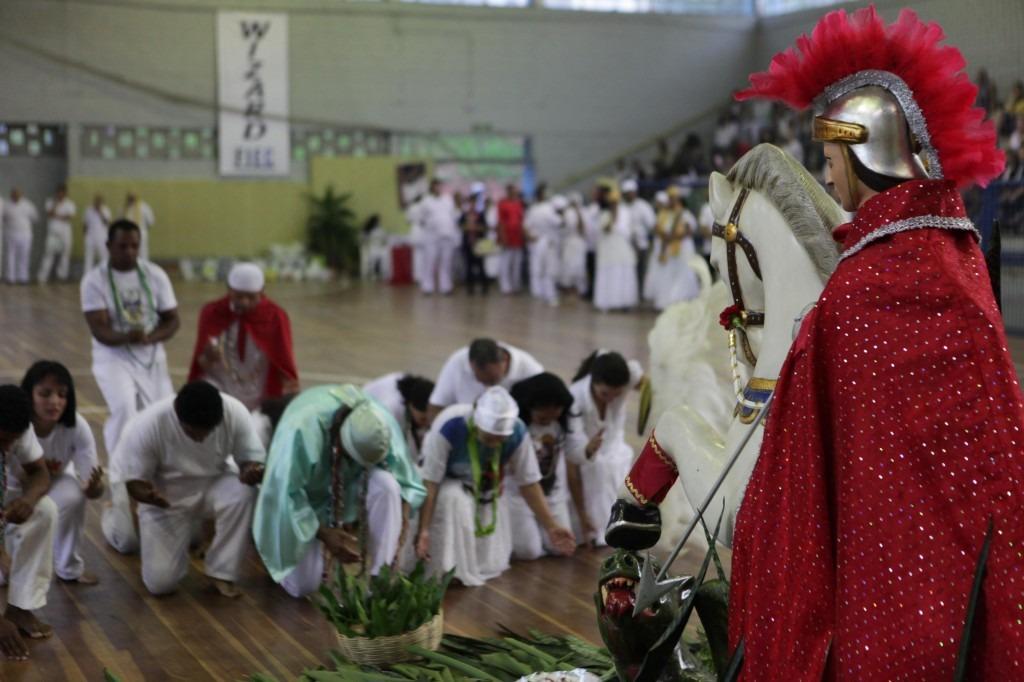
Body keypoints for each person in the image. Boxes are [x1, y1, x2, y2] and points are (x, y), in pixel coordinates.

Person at [728, 8, 1023, 677]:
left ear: (863, 153)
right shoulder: (955, 252)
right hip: (973, 542)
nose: (828, 180)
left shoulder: (865, 283)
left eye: (830, 160)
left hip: (891, 562)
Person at [253, 385, 426, 597]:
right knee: (303, 587)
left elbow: (405, 479)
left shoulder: (381, 423)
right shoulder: (301, 431)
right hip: (305, 501)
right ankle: (280, 561)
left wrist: (402, 520)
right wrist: (325, 534)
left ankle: (381, 575)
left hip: (353, 484)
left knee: (389, 486)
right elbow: (284, 494)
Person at [109, 381, 265, 597]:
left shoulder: (235, 412)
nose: (201, 437)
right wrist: (148, 496)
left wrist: (251, 470)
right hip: (165, 496)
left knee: (244, 492)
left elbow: (251, 459)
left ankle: (221, 572)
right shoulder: (148, 425)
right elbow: (135, 483)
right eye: (193, 431)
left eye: (208, 430)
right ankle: (113, 517)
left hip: (212, 485)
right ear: (177, 415)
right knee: (160, 584)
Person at [414, 386, 575, 585]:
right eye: (489, 438)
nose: (494, 444)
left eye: (501, 440)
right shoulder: (450, 426)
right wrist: (424, 530)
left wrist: (551, 526)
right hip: (445, 481)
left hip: (484, 484)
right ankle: (446, 566)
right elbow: (431, 481)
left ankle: (473, 564)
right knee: (453, 498)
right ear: (477, 424)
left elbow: (529, 482)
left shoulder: (517, 432)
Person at [82, 219, 178, 454]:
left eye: (134, 246)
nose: (130, 252)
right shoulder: (94, 280)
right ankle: (120, 469)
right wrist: (128, 337)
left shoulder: (155, 275)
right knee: (124, 408)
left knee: (162, 414)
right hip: (113, 357)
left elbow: (172, 319)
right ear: (108, 245)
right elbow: (99, 329)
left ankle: (153, 469)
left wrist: (151, 337)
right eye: (123, 246)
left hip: (151, 356)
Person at [20, 362, 103, 586]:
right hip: (10, 487)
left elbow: (92, 483)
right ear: (29, 394)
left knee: (75, 494)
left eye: (62, 394)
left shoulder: (77, 426)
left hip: (51, 484)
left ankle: (69, 568)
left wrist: (93, 489)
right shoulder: (16, 424)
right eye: (45, 394)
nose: (54, 401)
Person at [187, 262, 299, 411]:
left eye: (251, 297)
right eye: (238, 296)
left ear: (262, 291)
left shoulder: (276, 316)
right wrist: (207, 356)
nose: (244, 302)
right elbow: (201, 364)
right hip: (221, 386)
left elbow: (284, 359)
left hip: (260, 388)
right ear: (229, 289)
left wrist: (289, 389)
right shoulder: (212, 312)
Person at [0, 385, 57, 659]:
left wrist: (29, 499)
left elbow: (40, 474)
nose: (8, 448)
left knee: (44, 509)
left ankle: (20, 607)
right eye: (2, 440)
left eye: (12, 440)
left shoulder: (16, 425)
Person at [508, 373, 590, 559]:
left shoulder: (561, 425)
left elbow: (575, 452)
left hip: (551, 492)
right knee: (529, 551)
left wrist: (589, 450)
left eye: (556, 409)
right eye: (543, 410)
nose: (550, 415)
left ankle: (539, 528)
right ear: (528, 407)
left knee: (561, 547)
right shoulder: (517, 427)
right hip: (520, 495)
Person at [568, 351, 644, 546]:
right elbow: (573, 449)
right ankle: (593, 525)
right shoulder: (575, 398)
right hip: (588, 458)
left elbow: (640, 378)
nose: (610, 399)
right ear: (593, 381)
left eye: (616, 394)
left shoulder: (629, 376)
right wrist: (588, 449)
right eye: (604, 394)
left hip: (616, 449)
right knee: (599, 471)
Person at [427, 337, 544, 421]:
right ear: (470, 365)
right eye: (479, 380)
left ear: (505, 359)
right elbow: (436, 406)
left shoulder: (532, 371)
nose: (488, 387)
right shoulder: (457, 362)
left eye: (493, 380)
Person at [644, 187, 700, 310]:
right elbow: (658, 229)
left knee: (684, 272)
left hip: (683, 247)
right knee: (669, 274)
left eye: (674, 199)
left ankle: (684, 299)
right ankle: (669, 299)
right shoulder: (664, 214)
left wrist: (673, 236)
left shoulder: (684, 213)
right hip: (669, 249)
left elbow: (689, 230)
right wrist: (666, 237)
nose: (671, 201)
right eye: (670, 199)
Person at [363, 373, 434, 464]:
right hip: (368, 415)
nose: (426, 424)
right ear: (412, 406)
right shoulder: (393, 409)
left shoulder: (412, 391)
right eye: (423, 419)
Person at [592, 189, 639, 312]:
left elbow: (631, 231)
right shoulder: (604, 215)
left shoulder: (627, 214)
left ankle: (624, 303)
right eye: (612, 203)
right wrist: (612, 216)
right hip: (608, 251)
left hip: (623, 250)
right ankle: (606, 303)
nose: (614, 205)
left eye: (616, 202)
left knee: (623, 274)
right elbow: (605, 229)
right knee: (609, 275)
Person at [418, 179, 460, 295]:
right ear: (431, 188)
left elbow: (453, 215)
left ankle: (446, 287)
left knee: (446, 262)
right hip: (431, 235)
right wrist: (430, 224)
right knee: (430, 261)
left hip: (447, 234)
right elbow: (421, 219)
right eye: (435, 186)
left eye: (439, 186)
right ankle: (427, 287)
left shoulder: (448, 199)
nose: (437, 188)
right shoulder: (426, 201)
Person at [525, 194, 564, 307]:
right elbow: (560, 223)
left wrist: (530, 236)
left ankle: (538, 293)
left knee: (537, 269)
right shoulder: (550, 210)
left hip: (536, 243)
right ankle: (550, 295)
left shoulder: (533, 210)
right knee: (549, 270)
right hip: (548, 243)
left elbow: (526, 226)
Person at [37, 184, 76, 283]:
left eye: (62, 193)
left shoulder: (70, 204)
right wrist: (56, 204)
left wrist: (56, 215)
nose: (60, 194)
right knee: (48, 254)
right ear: (56, 193)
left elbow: (69, 217)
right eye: (59, 192)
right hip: (53, 233)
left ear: (65, 193)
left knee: (65, 254)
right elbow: (50, 214)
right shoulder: (50, 202)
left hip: (65, 233)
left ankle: (61, 276)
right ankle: (42, 277)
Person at [621, 179, 654, 292]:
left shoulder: (643, 206)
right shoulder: (621, 206)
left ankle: (639, 294)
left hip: (640, 244)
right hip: (625, 244)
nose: (628, 195)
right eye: (626, 193)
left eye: (630, 192)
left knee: (640, 271)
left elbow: (651, 224)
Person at [3, 188, 38, 285]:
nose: (15, 196)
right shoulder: (6, 205)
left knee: (24, 256)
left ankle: (23, 278)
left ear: (21, 195)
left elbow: (35, 218)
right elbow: (3, 218)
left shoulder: (28, 205)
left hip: (25, 235)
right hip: (10, 234)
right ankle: (10, 278)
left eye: (17, 194)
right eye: (13, 194)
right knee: (10, 256)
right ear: (11, 195)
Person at [460, 183, 490, 295]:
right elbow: (461, 226)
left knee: (481, 266)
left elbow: (485, 227)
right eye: (470, 202)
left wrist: (476, 228)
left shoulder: (480, 214)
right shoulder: (464, 214)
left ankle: (484, 288)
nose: (472, 204)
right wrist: (468, 227)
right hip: (468, 242)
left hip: (479, 242)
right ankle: (470, 288)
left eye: (474, 202)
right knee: (469, 266)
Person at [496, 184, 526, 294]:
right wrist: (503, 237)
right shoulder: (502, 204)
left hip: (517, 238)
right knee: (506, 263)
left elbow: (521, 220)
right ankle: (505, 286)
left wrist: (523, 235)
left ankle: (516, 285)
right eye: (512, 191)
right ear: (508, 192)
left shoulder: (519, 204)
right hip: (507, 237)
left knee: (517, 264)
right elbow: (501, 222)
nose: (514, 193)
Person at [559, 192, 589, 297]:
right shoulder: (567, 213)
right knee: (568, 265)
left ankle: (579, 288)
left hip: (579, 242)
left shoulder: (583, 212)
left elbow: (583, 229)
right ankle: (568, 286)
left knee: (579, 265)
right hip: (568, 242)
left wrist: (578, 213)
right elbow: (562, 226)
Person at [82, 194, 111, 275]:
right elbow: (85, 224)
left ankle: (106, 275)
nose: (97, 203)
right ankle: (87, 276)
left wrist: (100, 212)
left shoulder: (106, 210)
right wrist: (85, 236)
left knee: (104, 257)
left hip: (102, 237)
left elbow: (107, 223)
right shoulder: (88, 210)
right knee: (88, 258)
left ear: (102, 202)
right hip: (90, 236)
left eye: (99, 201)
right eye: (96, 201)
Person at [122, 192, 155, 262]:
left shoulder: (144, 207)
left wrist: (143, 230)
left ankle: (144, 268)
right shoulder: (125, 208)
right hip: (127, 235)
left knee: (143, 253)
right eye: (129, 198)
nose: (131, 200)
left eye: (132, 198)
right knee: (129, 253)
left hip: (141, 233)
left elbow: (150, 221)